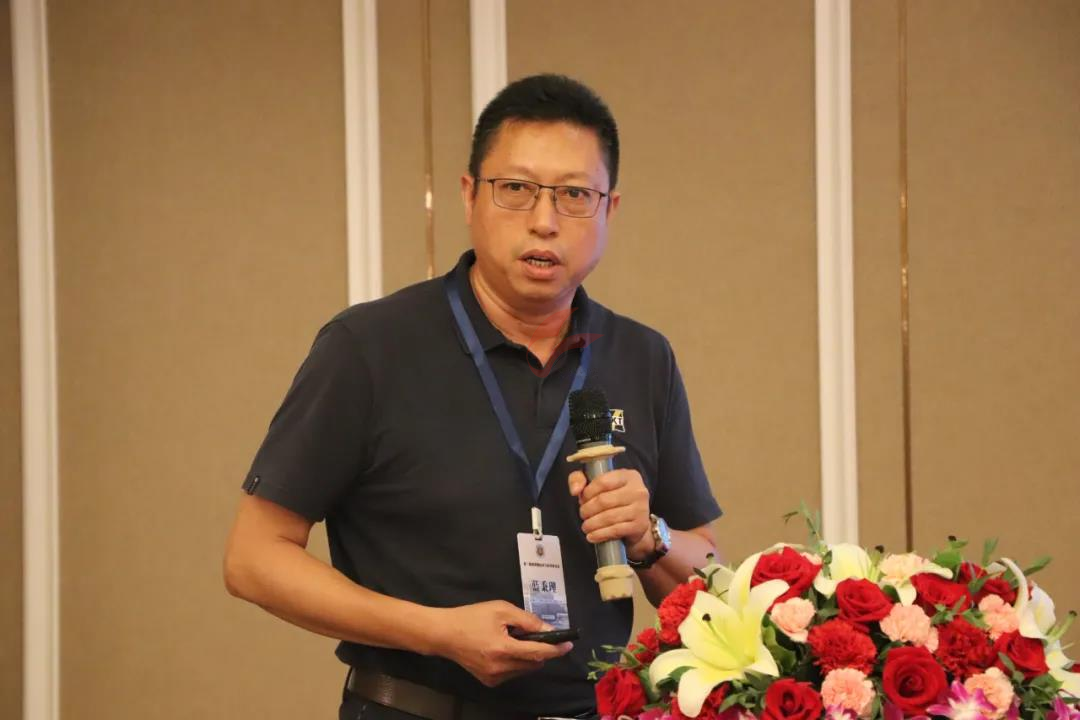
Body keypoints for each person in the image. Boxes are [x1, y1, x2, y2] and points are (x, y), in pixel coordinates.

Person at [224, 73, 722, 720]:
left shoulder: (643, 357)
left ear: (610, 210)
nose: (544, 222)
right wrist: (437, 632)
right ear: (469, 195)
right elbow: (254, 558)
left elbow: (708, 575)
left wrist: (650, 535)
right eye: (516, 189)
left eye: (574, 195)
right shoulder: (370, 347)